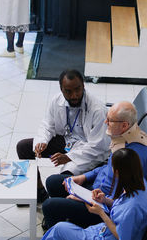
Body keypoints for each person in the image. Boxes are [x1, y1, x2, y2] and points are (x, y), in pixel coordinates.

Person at [41, 101, 147, 230]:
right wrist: (83, 177)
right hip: (97, 190)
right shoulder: (124, 140)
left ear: (124, 125)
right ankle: (65, 218)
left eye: (110, 120)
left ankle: (62, 224)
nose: (105, 122)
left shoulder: (133, 158)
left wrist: (85, 200)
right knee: (53, 182)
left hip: (103, 208)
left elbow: (120, 203)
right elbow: (107, 168)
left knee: (49, 205)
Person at [16, 69, 110, 202]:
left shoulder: (97, 109)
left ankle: (61, 208)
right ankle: (39, 192)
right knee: (24, 147)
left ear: (83, 85)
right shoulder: (57, 100)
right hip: (67, 141)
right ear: (61, 89)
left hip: (87, 151)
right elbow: (48, 124)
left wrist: (68, 157)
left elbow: (98, 147)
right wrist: (42, 141)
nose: (74, 95)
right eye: (68, 91)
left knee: (62, 181)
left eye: (78, 89)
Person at [42, 148, 147, 240]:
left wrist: (101, 213)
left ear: (118, 172)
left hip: (104, 235)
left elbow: (122, 237)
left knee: (59, 230)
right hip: (102, 230)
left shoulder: (132, 208)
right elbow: (121, 205)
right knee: (60, 228)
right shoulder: (138, 183)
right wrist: (105, 200)